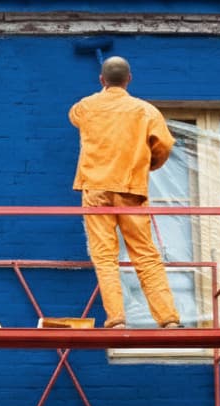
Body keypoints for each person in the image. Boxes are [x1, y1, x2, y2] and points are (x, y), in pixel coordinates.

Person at [69, 56, 181, 329]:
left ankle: (116, 318)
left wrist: (102, 96)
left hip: (96, 188)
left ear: (101, 80)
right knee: (144, 254)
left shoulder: (86, 107)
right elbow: (164, 145)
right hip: (131, 186)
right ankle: (167, 318)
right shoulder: (146, 111)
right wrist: (147, 165)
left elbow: (74, 116)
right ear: (129, 79)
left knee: (105, 256)